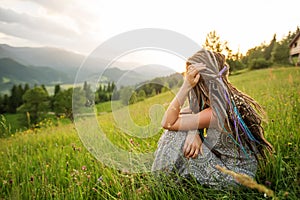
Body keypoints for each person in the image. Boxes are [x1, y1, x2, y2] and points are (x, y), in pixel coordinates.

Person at [151, 49, 273, 188]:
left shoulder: (216, 112)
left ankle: (159, 182)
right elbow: (182, 114)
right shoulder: (225, 98)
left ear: (200, 82)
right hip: (235, 167)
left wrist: (185, 86)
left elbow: (167, 122)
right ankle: (168, 177)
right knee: (182, 131)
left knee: (174, 133)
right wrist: (194, 131)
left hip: (234, 176)